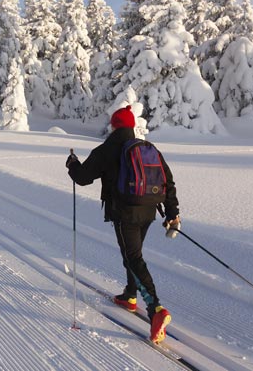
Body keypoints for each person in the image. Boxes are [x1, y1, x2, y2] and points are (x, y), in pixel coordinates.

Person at [66, 106, 180, 344]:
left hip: (124, 212)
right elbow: (167, 182)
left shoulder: (108, 149)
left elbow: (83, 177)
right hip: (149, 211)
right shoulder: (148, 148)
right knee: (133, 253)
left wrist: (72, 164)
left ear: (114, 125)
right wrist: (172, 214)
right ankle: (130, 295)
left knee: (132, 258)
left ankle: (156, 310)